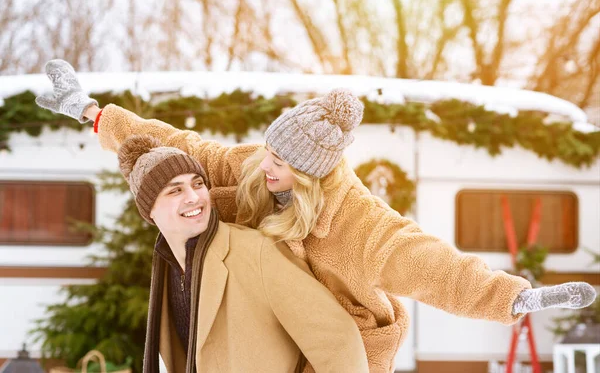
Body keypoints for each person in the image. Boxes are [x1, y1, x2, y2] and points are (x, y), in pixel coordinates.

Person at [37, 59, 597, 373]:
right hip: (269, 333)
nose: (266, 165)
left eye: (281, 162)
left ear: (310, 175)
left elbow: (426, 261)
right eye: (269, 151)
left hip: (340, 349)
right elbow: (178, 146)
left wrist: (512, 297)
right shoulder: (259, 168)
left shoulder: (353, 221)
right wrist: (91, 111)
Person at [114, 134, 369, 373]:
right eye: (175, 190)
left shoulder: (257, 252)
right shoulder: (166, 268)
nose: (194, 197)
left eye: (198, 184)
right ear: (150, 211)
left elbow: (339, 340)